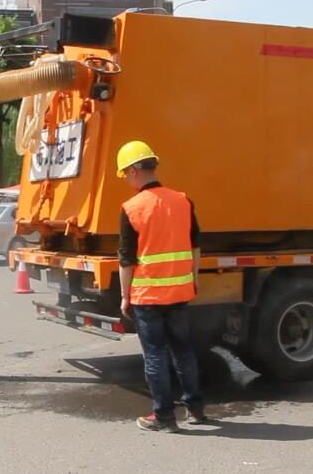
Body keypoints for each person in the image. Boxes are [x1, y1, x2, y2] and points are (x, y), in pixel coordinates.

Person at [117, 140, 206, 433]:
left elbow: (126, 260)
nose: (127, 180)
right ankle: (195, 409)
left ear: (134, 171)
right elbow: (195, 247)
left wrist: (124, 297)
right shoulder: (183, 200)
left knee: (155, 355)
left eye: (125, 174)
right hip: (180, 292)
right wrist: (193, 279)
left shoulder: (131, 208)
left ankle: (164, 417)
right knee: (184, 351)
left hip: (148, 296)